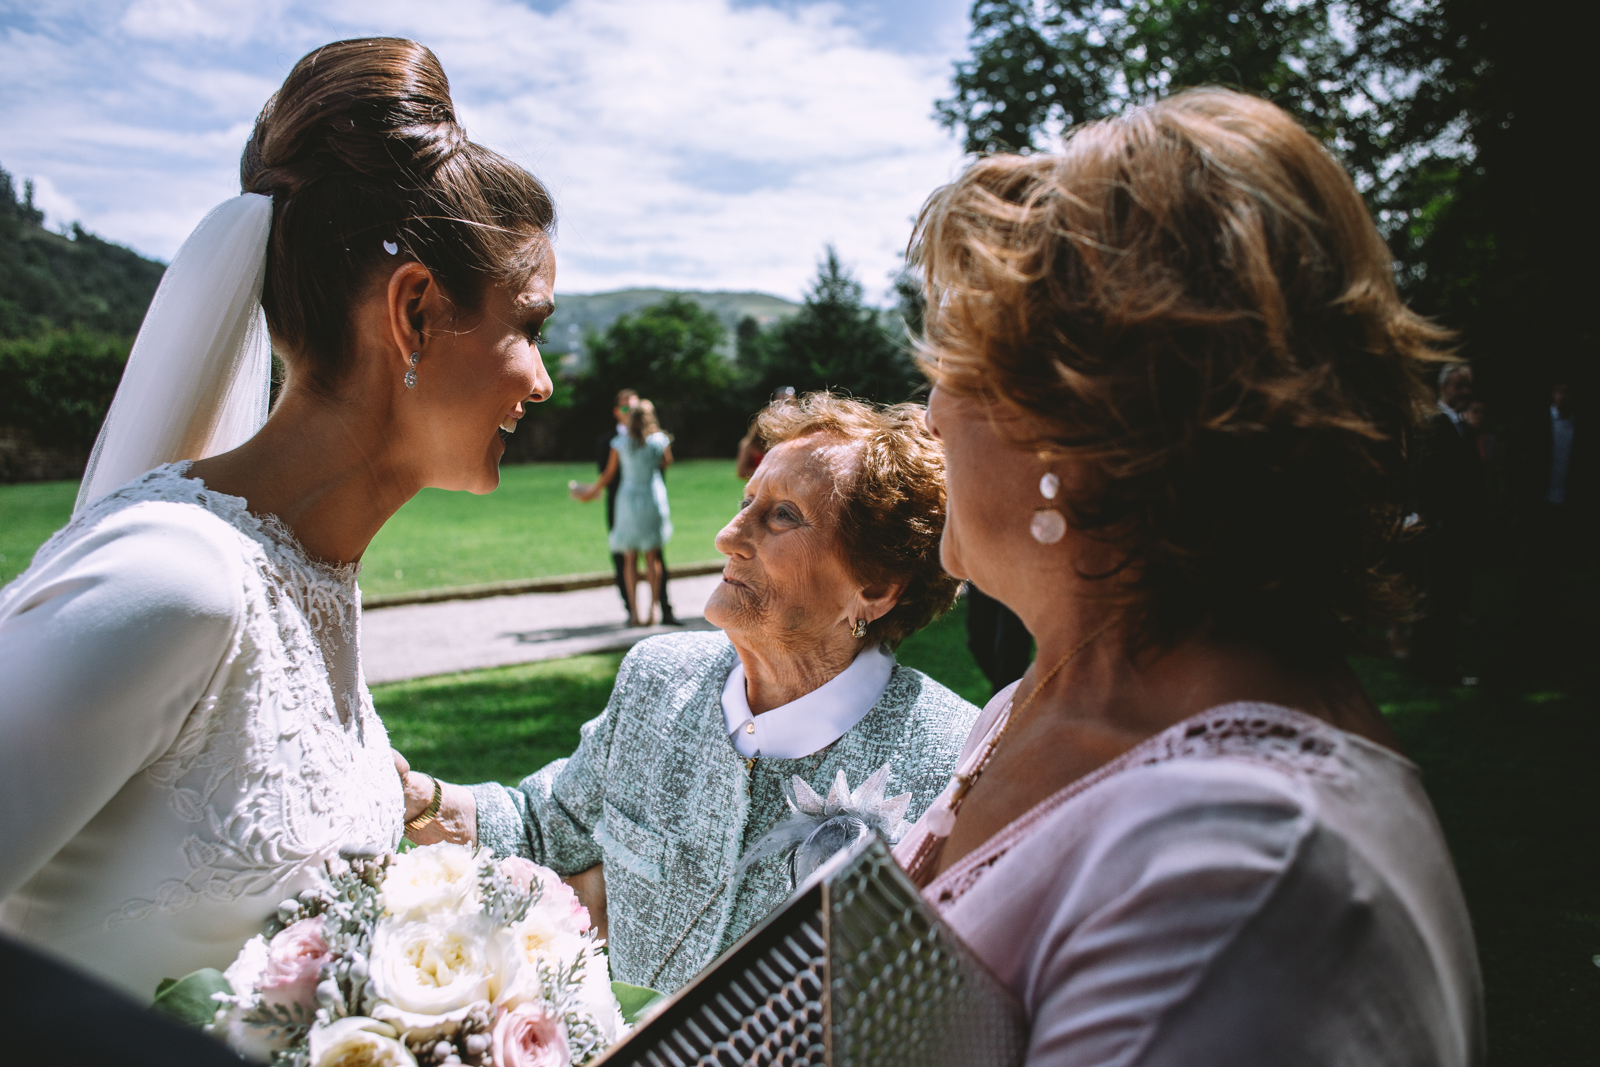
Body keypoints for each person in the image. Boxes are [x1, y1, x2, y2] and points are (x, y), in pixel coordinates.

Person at [896, 88, 1483, 1064]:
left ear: (1078, 429)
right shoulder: (1033, 702)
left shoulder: (1239, 870)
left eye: (956, 362)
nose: (926, 416)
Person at [0, 37, 556, 998]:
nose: (542, 382)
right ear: (415, 312)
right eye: (531, 325)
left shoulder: (316, 583)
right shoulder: (176, 581)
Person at [400, 394, 981, 993]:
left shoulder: (956, 764)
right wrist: (413, 795)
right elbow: (542, 829)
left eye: (782, 515)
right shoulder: (657, 677)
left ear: (877, 587)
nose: (729, 536)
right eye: (745, 502)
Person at [1411, 361, 1485, 683]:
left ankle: (1433, 665)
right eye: (1459, 385)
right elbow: (1427, 477)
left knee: (1447, 599)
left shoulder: (1460, 426)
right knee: (1440, 600)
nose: (1466, 392)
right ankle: (1434, 667)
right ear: (1444, 389)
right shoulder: (1435, 425)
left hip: (1457, 529)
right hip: (1443, 530)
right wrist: (1434, 519)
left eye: (1468, 385)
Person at [574, 398, 673, 626]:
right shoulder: (659, 441)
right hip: (651, 496)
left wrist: (589, 492)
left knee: (629, 556)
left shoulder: (620, 442)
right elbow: (666, 463)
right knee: (652, 556)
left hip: (627, 498)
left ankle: (635, 613)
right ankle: (653, 610)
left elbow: (608, 475)